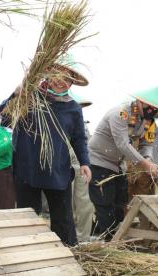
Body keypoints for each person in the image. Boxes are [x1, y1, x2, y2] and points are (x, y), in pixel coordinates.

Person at [0, 58, 92, 246]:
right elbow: (6, 118)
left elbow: (79, 138)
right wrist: (16, 95)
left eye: (68, 78)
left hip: (57, 168)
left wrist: (84, 163)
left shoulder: (73, 107)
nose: (61, 81)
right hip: (28, 167)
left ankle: (66, 253)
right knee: (28, 216)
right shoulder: (30, 96)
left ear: (72, 82)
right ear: (47, 75)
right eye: (57, 75)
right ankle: (28, 253)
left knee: (63, 217)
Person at [88, 85, 158, 240]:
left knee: (120, 203)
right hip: (99, 161)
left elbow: (147, 144)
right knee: (104, 203)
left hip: (118, 165)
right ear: (140, 102)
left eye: (156, 108)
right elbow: (122, 143)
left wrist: (148, 158)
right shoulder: (120, 113)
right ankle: (108, 240)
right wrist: (145, 165)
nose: (152, 110)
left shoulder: (149, 122)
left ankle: (116, 237)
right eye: (149, 106)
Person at [68, 91, 94, 242]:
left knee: (85, 204)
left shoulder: (83, 125)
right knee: (67, 205)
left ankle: (83, 239)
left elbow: (85, 145)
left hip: (81, 167)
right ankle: (68, 238)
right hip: (66, 166)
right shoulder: (58, 121)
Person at [0, 111, 15, 209]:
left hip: (20, 172)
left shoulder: (22, 129)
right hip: (5, 172)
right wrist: (13, 139)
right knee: (6, 205)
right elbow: (0, 151)